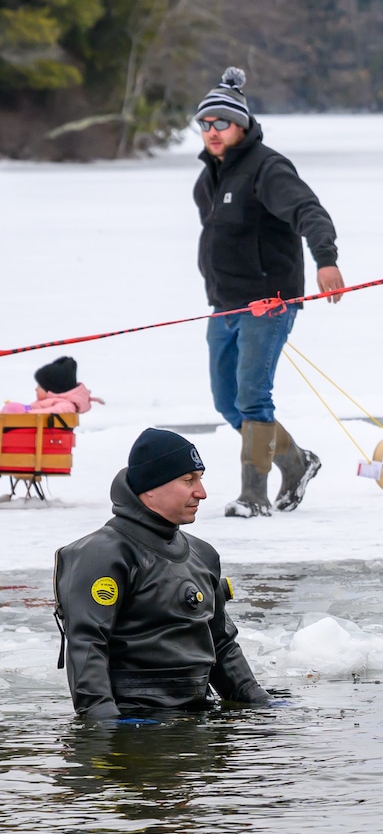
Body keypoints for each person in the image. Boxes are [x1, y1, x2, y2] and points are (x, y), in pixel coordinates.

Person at [193, 66, 344, 518]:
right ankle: (296, 462)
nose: (212, 131)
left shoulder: (267, 168)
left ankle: (253, 496)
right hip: (225, 305)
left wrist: (326, 259)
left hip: (268, 302)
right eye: (205, 123)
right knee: (228, 403)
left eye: (221, 122)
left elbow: (309, 211)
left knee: (253, 398)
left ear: (241, 125)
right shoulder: (209, 178)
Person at [53, 428, 269, 719]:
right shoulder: (102, 555)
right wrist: (106, 724)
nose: (201, 492)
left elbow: (221, 643)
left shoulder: (202, 555)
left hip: (195, 718)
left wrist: (261, 704)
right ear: (150, 487)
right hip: (134, 721)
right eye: (188, 480)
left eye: (200, 479)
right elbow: (88, 644)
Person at [2, 355, 103, 415]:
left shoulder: (66, 404)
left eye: (40, 386)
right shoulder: (49, 402)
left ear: (52, 389)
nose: (36, 389)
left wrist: (26, 414)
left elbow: (57, 412)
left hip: (43, 440)